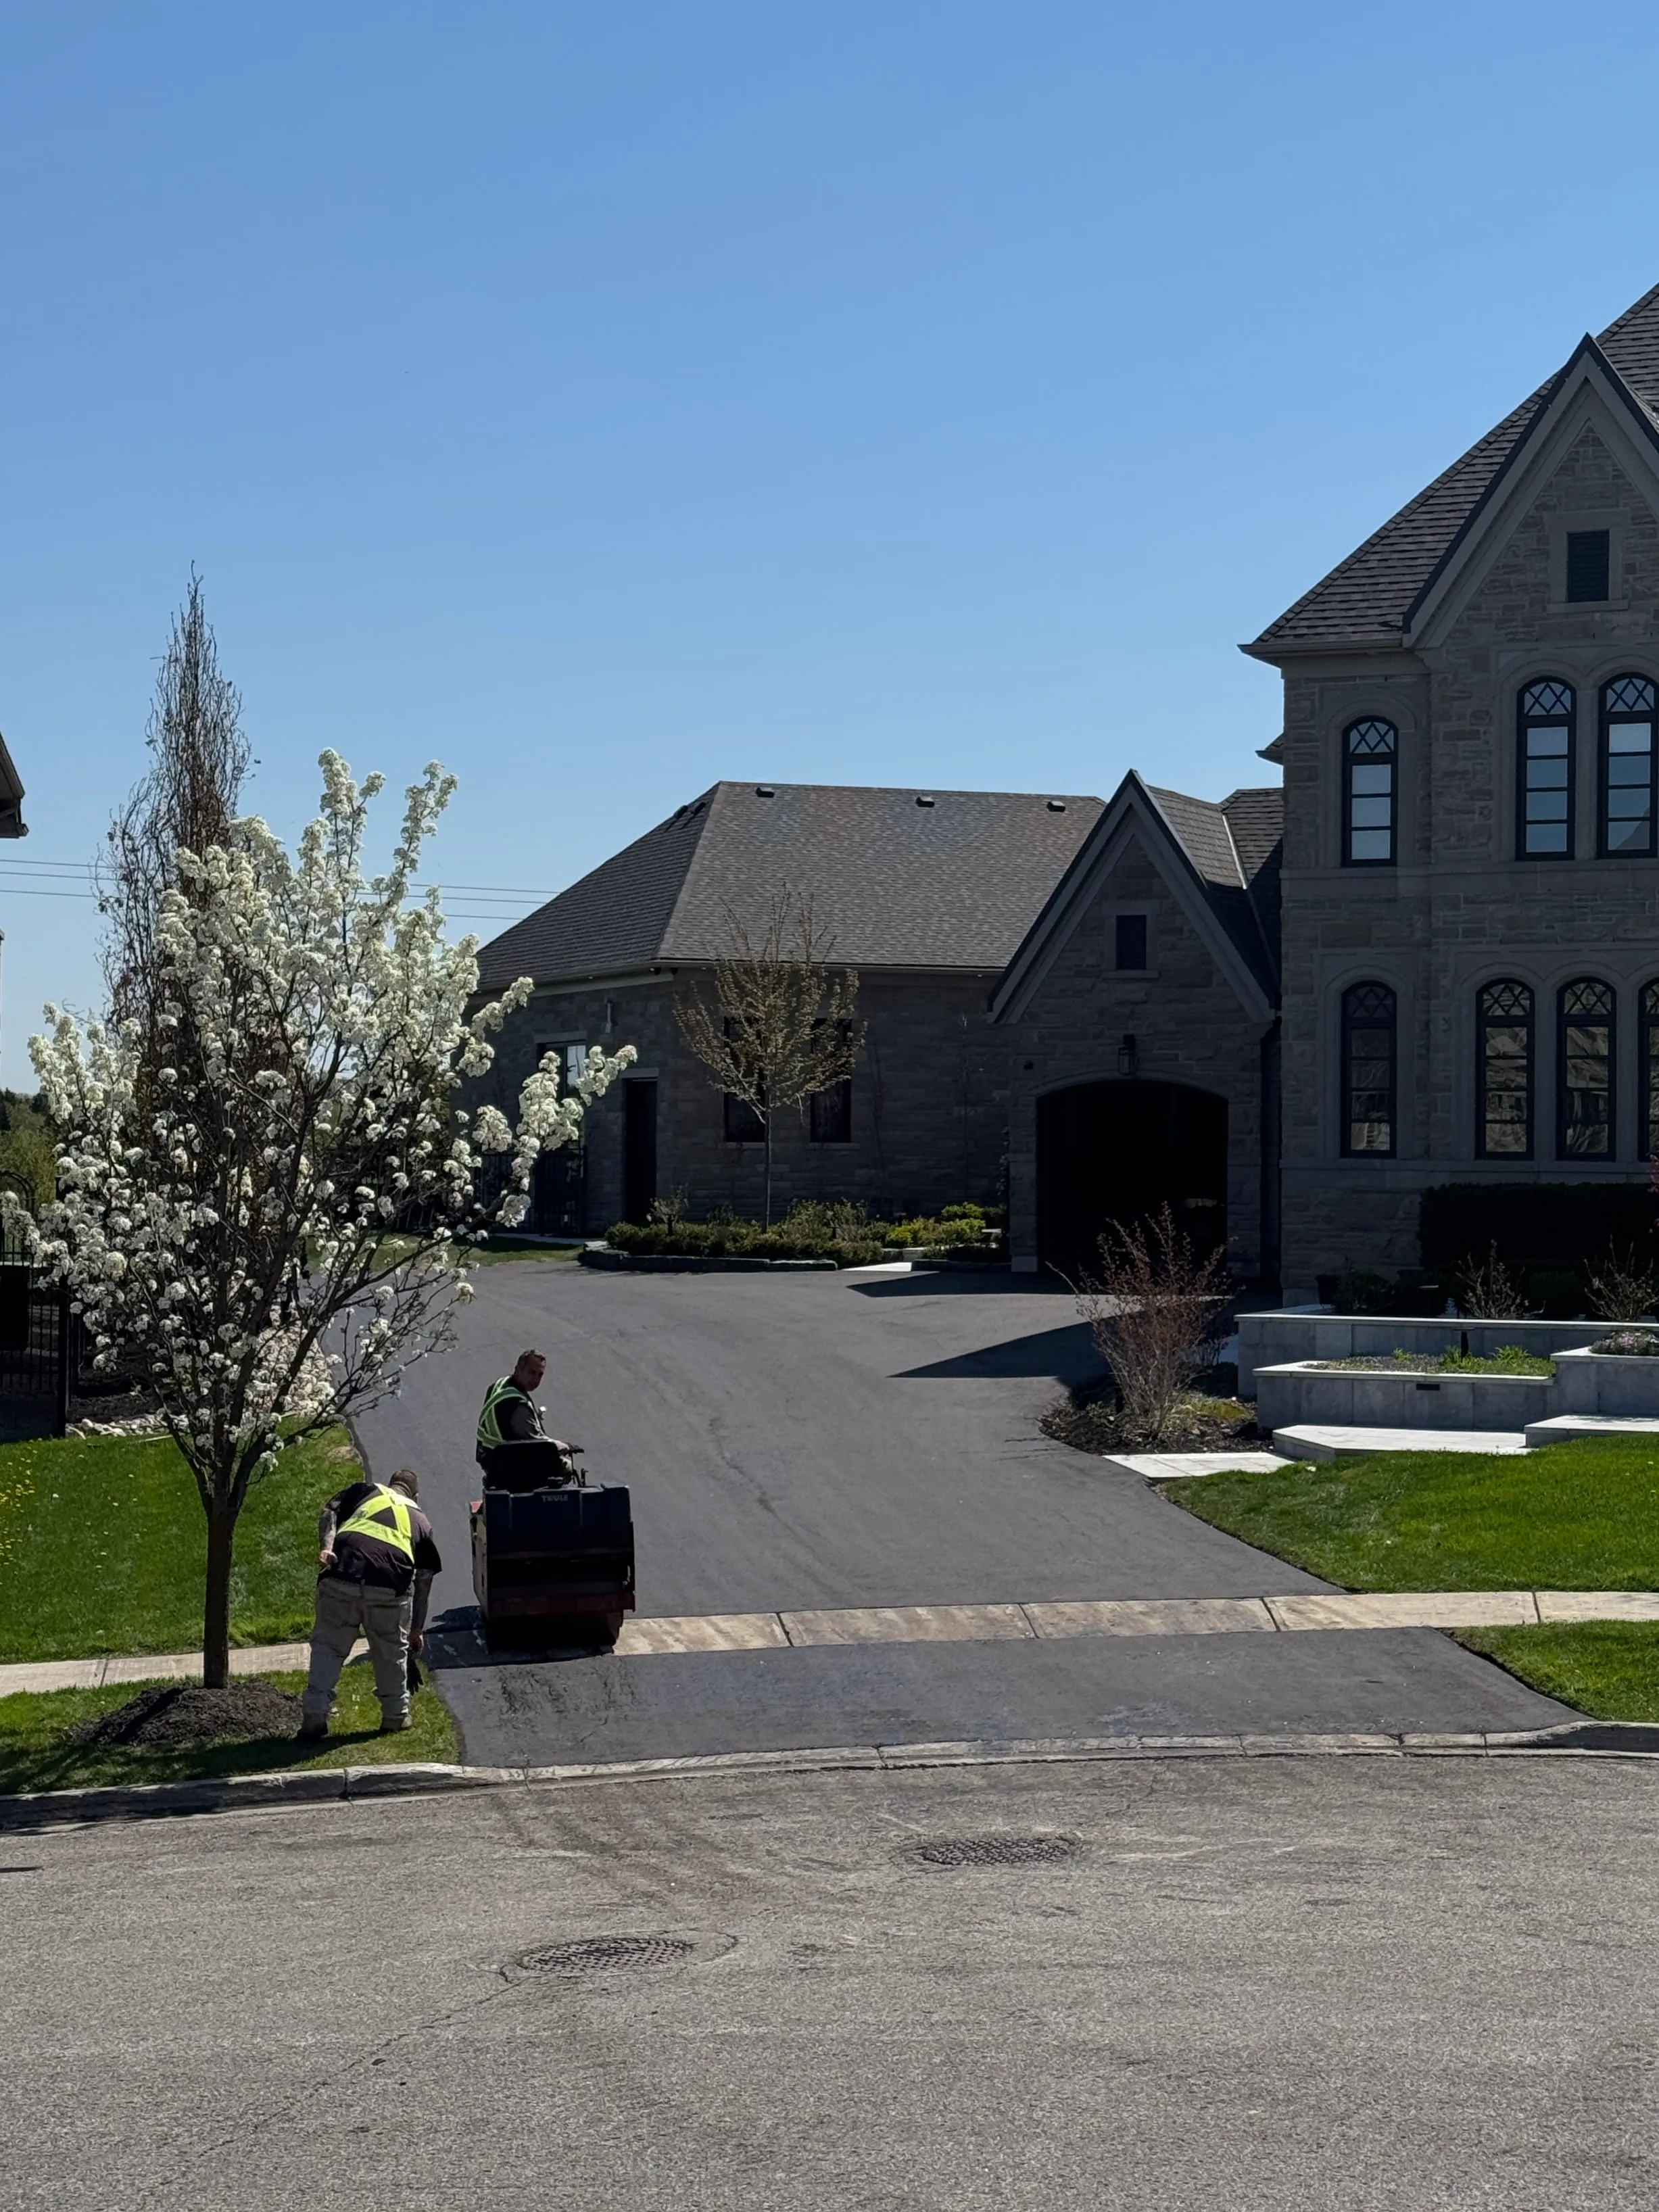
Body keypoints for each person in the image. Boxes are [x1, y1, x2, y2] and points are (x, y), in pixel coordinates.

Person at [297, 1466, 441, 1741]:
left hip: (341, 1575)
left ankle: (315, 1715)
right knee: (390, 1651)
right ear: (416, 1495)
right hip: (389, 1588)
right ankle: (395, 1715)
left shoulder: (365, 1492)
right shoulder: (420, 1519)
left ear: (390, 1484)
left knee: (328, 1646)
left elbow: (330, 1512)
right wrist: (417, 1630)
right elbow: (424, 1579)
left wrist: (327, 1546)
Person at [475, 1349, 550, 1466]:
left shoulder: (500, 1385)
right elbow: (538, 1444)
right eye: (531, 1372)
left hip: (488, 1455)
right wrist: (562, 1446)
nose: (536, 1379)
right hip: (508, 1465)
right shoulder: (517, 1405)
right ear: (518, 1370)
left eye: (540, 1375)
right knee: (565, 1465)